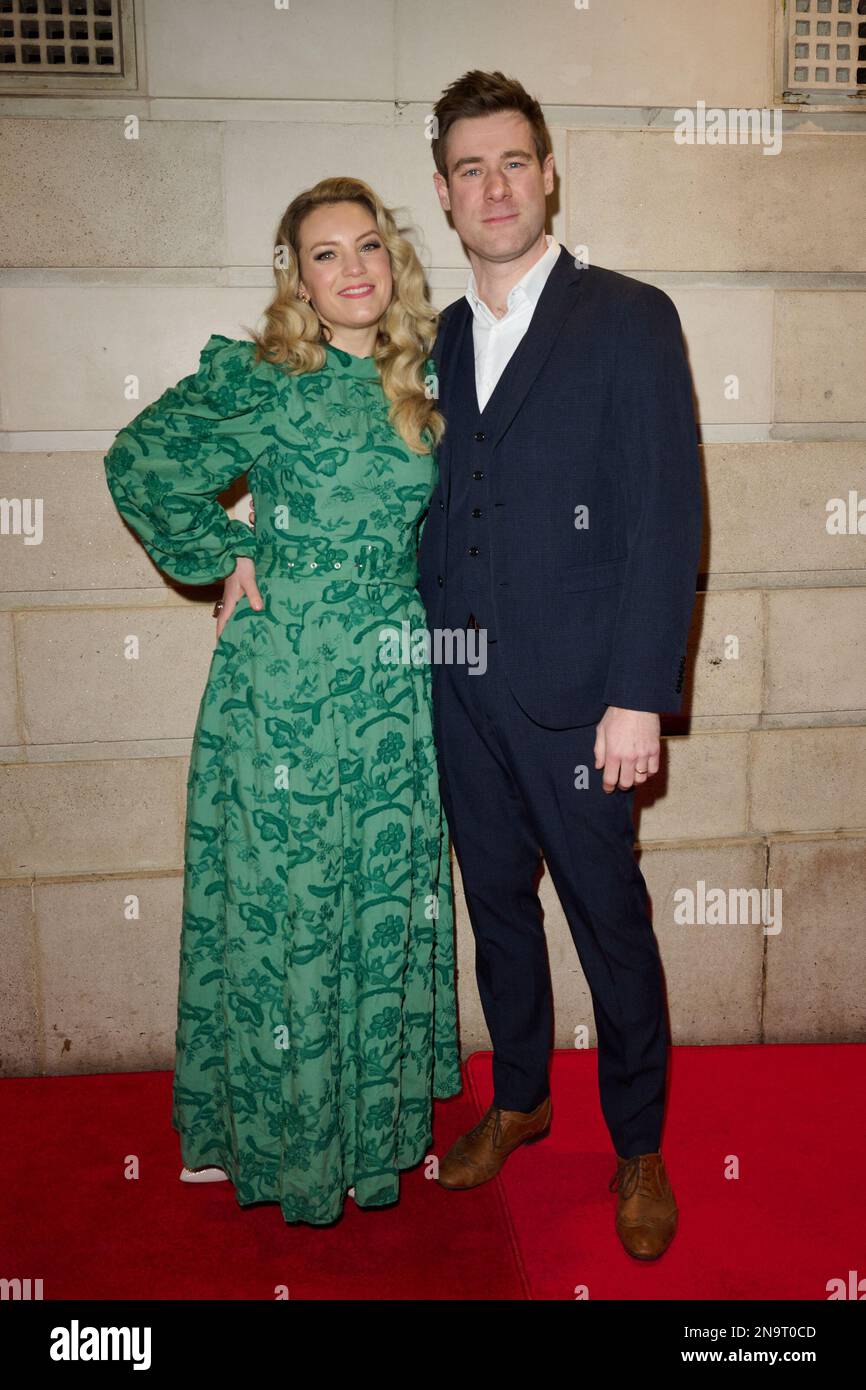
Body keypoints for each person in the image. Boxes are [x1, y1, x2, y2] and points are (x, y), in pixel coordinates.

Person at [103, 177, 461, 1227]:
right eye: (323, 253)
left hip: (391, 681)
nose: (352, 268)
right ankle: (257, 1130)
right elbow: (141, 460)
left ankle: (364, 1132)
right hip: (285, 678)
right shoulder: (264, 378)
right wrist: (226, 553)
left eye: (368, 247)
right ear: (294, 278)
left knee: (375, 893)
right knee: (286, 899)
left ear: (391, 263)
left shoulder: (426, 379)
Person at [415, 71, 703, 1261]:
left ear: (547, 175)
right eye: (469, 168)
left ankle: (634, 1142)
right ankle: (521, 1097)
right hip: (460, 684)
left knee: (608, 922)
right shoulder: (434, 335)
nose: (494, 186)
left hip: (585, 698)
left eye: (513, 162)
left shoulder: (629, 316)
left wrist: (639, 690)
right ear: (442, 194)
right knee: (495, 913)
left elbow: (666, 515)